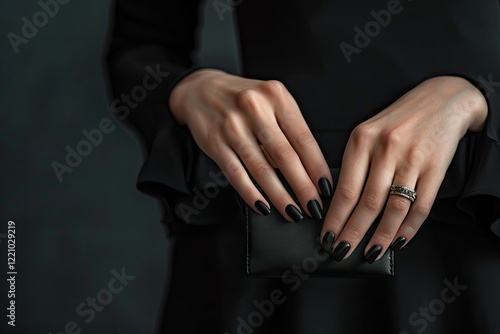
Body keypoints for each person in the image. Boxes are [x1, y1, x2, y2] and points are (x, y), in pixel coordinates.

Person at [106, 0, 500, 333]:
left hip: (474, 223)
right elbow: (141, 45)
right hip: (261, 223)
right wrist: (190, 88)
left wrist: (478, 100)